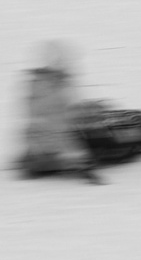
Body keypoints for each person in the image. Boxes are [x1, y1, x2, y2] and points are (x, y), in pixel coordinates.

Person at [17, 41, 100, 182]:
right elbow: (53, 121)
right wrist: (81, 162)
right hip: (49, 141)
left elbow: (71, 107)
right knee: (58, 145)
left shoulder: (56, 82)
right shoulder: (47, 85)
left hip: (49, 138)